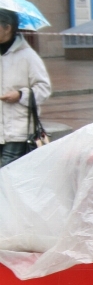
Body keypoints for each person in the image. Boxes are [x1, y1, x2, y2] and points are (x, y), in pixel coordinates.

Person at [0, 9, 51, 167]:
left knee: (5, 175)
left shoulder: (28, 56)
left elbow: (44, 88)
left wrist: (20, 95)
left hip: (17, 131)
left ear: (7, 28)